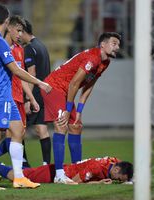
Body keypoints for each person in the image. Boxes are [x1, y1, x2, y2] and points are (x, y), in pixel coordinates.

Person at [0, 4, 51, 190]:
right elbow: (16, 70)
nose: (19, 34)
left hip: (2, 95)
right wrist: (40, 83)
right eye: (17, 29)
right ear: (7, 22)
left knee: (18, 131)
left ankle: (19, 178)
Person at [41, 32, 121, 184]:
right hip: (54, 87)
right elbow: (74, 84)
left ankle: (77, 168)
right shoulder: (93, 58)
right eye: (114, 43)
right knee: (61, 125)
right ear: (102, 45)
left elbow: (88, 86)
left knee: (76, 126)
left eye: (118, 44)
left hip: (65, 91)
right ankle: (59, 174)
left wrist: (79, 111)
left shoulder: (105, 63)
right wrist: (67, 108)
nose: (117, 47)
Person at [0, 156, 133, 184]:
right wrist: (99, 183)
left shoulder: (113, 162)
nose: (116, 180)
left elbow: (125, 169)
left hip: (59, 169)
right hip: (56, 174)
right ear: (116, 168)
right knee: (18, 177)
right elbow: (73, 184)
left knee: (25, 173)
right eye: (118, 178)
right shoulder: (95, 169)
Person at [20, 20, 52, 166]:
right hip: (44, 94)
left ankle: (24, 163)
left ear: (24, 31)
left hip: (34, 95)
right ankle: (46, 164)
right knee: (42, 129)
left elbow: (31, 72)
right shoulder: (41, 46)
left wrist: (28, 99)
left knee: (18, 129)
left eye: (20, 32)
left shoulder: (29, 48)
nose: (18, 36)